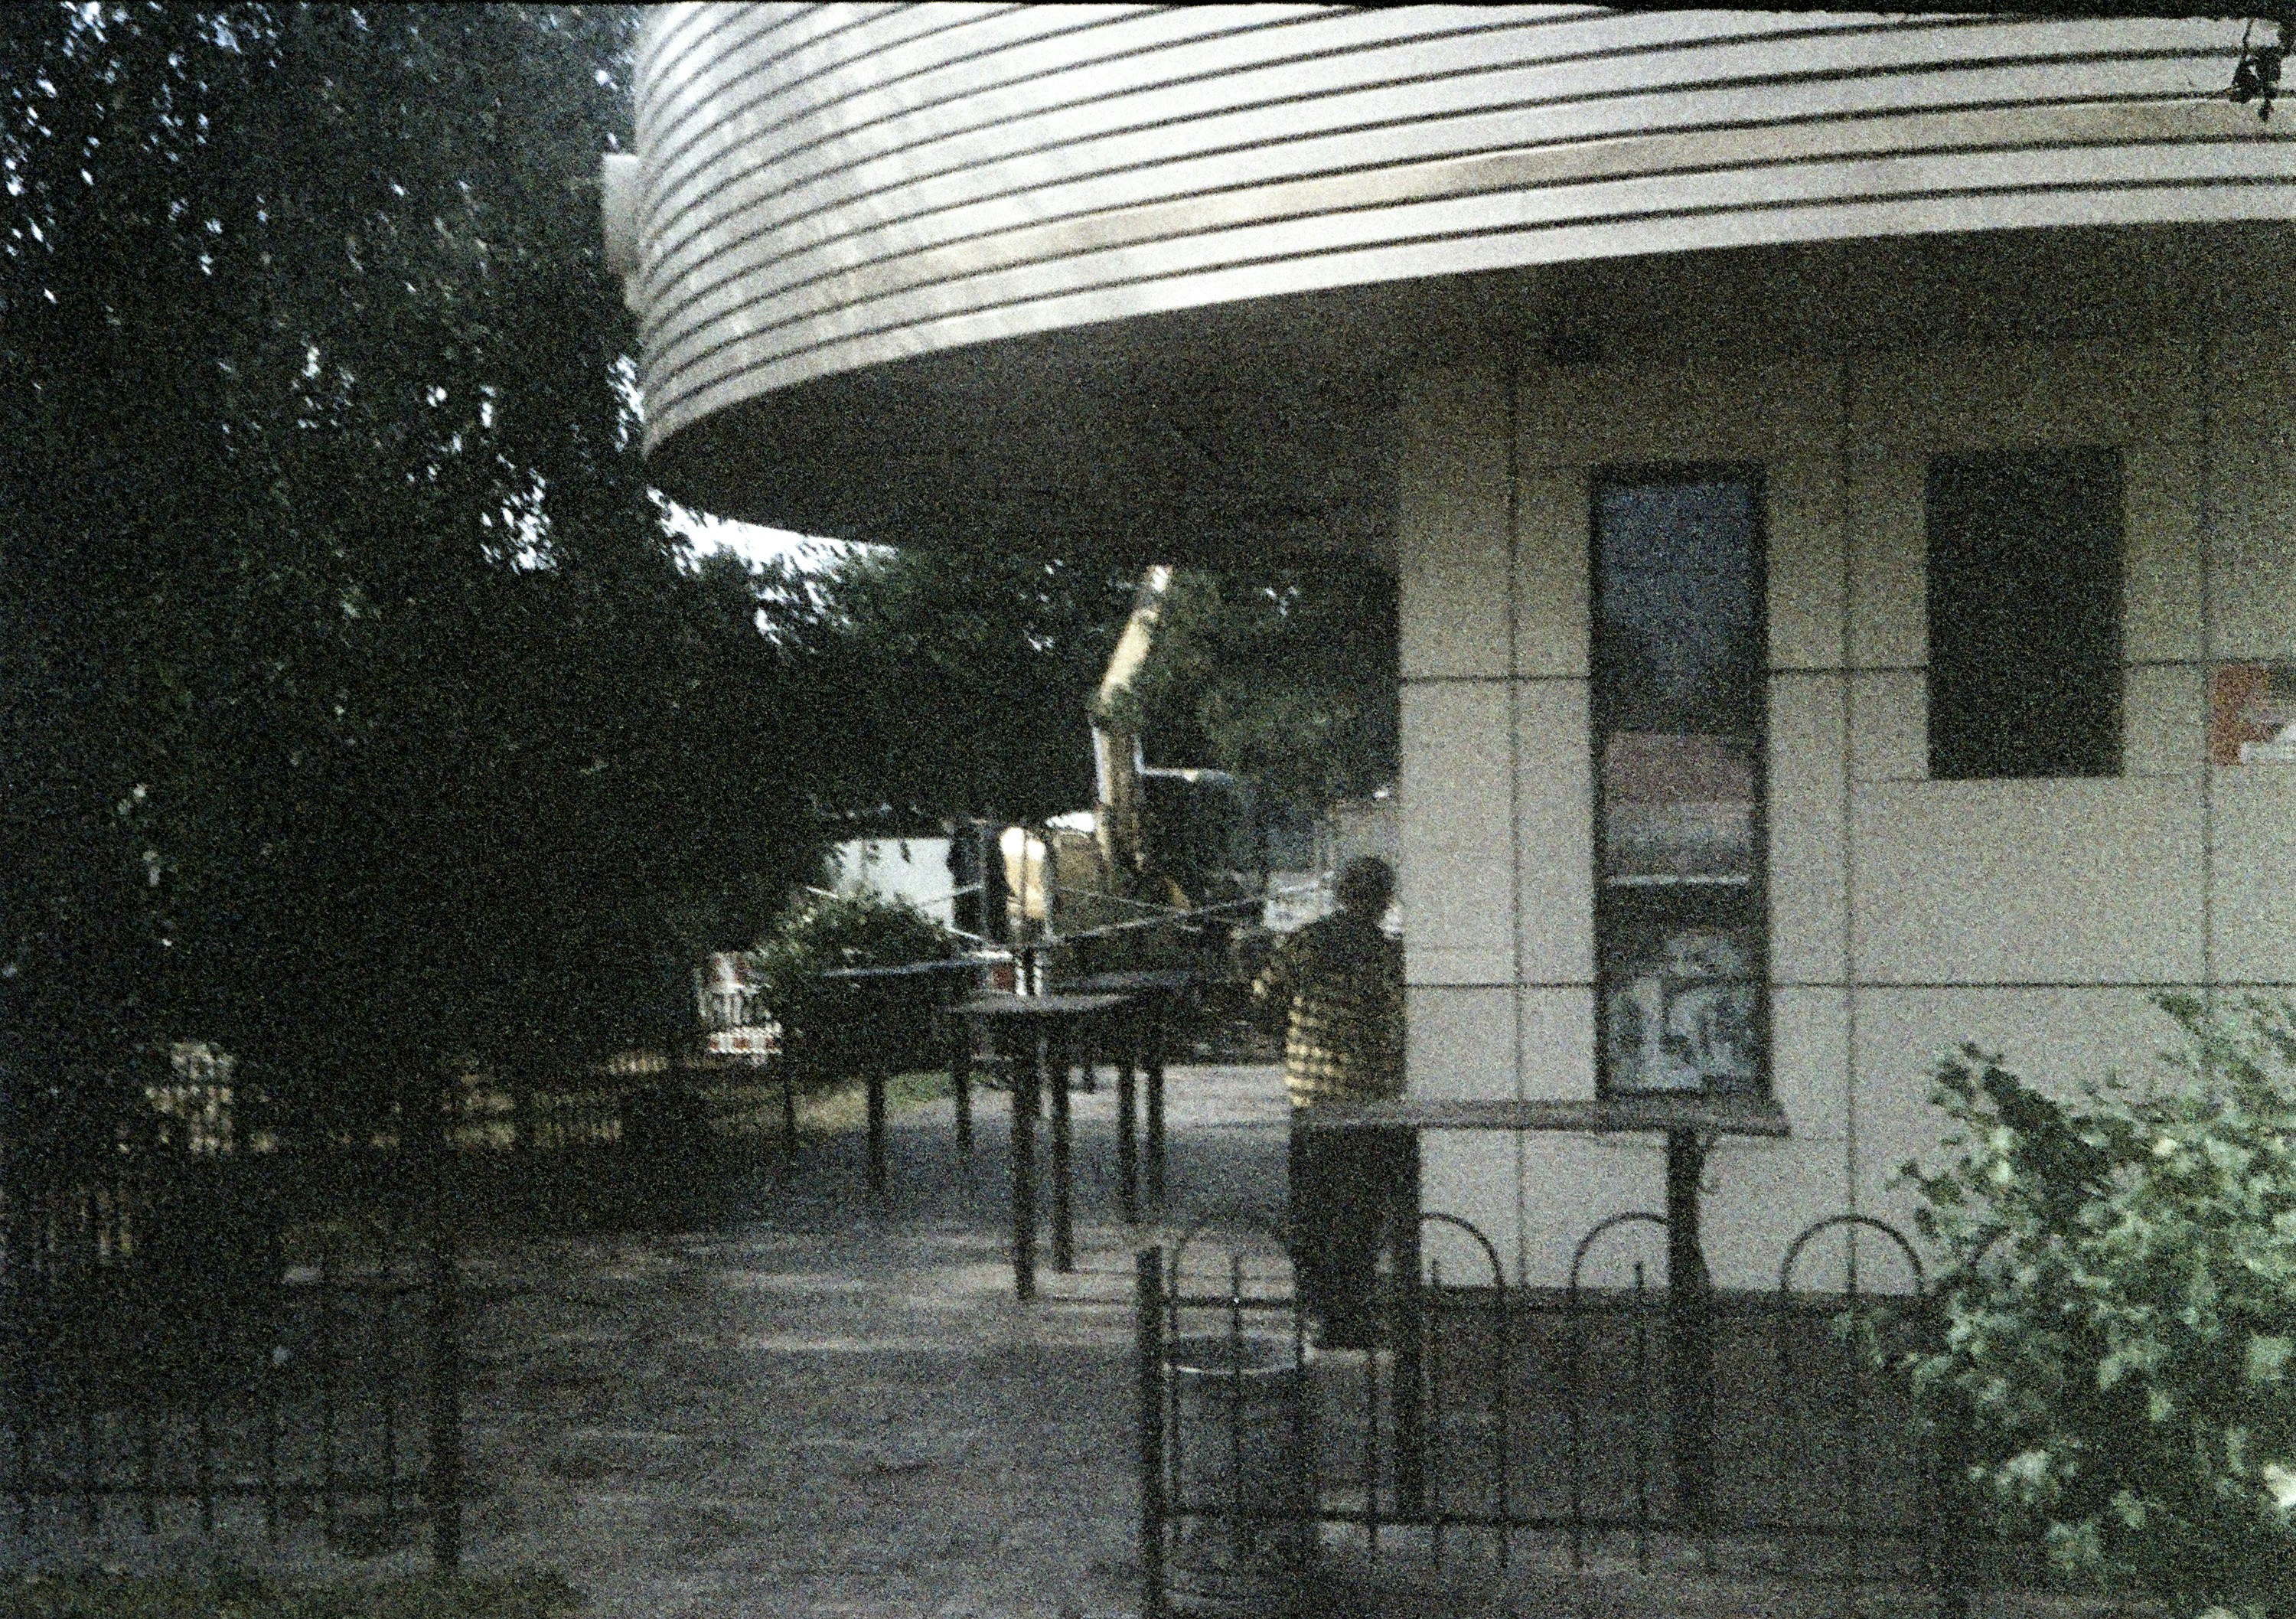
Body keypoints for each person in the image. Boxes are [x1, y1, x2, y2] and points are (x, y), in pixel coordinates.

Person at [1252, 854, 1413, 1349]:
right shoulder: (1388, 956)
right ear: (1385, 902)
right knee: (1359, 1211)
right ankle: (1352, 1313)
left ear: (1340, 894)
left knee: (1313, 1207)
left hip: (1312, 1098)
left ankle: (1316, 1306)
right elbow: (1400, 1022)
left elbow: (1262, 1000)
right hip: (1369, 1100)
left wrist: (1294, 1038)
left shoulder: (1305, 942)